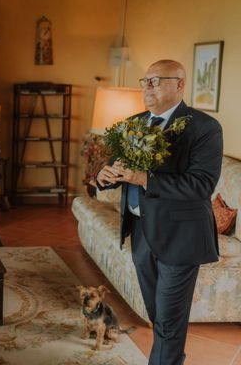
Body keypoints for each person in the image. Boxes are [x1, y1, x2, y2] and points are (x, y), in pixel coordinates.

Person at [97, 59, 223, 365]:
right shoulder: (134, 123)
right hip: (141, 234)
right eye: (145, 81)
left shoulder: (205, 128)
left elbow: (200, 186)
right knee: (160, 315)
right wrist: (104, 177)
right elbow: (121, 169)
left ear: (179, 84)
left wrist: (144, 178)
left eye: (156, 81)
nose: (147, 87)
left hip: (181, 238)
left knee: (168, 319)